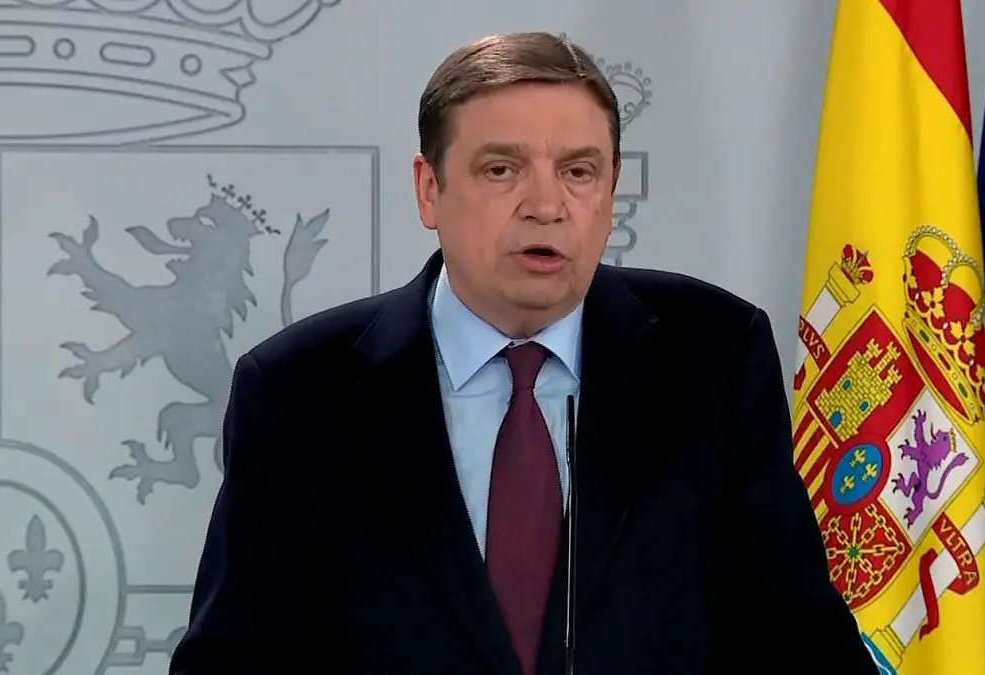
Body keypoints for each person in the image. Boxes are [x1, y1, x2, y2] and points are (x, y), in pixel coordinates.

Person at [168, 31, 877, 675]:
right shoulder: (299, 393)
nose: (547, 205)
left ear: (610, 191)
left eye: (578, 171)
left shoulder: (712, 358)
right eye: (502, 170)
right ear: (428, 190)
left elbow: (800, 644)